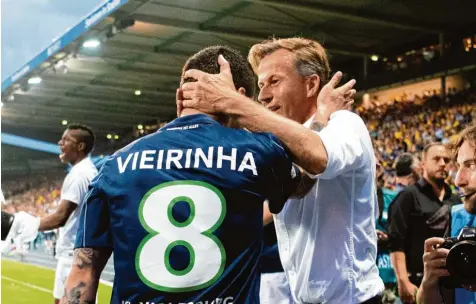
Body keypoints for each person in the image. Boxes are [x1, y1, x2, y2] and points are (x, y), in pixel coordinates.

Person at [61, 46, 317, 304]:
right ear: (238, 97)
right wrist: (322, 119)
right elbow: (307, 175)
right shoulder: (260, 153)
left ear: (179, 96)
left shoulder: (113, 166)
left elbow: (83, 274)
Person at [179, 37, 384, 303]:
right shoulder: (278, 145)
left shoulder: (345, 123)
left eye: (274, 81)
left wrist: (234, 102)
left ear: (311, 84)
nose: (263, 94)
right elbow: (293, 188)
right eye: (261, 84)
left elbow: (318, 158)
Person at [6, 124, 98, 304]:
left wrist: (18, 226)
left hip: (74, 256)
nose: (60, 143)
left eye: (66, 140)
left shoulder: (80, 174)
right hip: (73, 254)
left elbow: (60, 217)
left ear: (80, 146)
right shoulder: (84, 171)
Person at [387, 143, 462, 303]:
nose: (443, 163)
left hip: (450, 286)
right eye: (436, 159)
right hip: (417, 283)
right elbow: (396, 242)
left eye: (446, 160)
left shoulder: (455, 200)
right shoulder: (408, 196)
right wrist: (403, 280)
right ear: (423, 164)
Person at [417, 124, 476, 304]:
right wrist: (429, 282)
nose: (458, 180)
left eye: (471, 165)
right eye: (459, 166)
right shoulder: (459, 219)